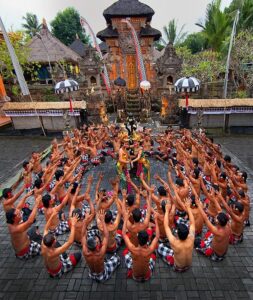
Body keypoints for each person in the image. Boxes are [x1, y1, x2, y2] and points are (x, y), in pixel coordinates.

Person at [82, 210, 120, 282]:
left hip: (91, 274)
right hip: (102, 275)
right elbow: (106, 236)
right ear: (97, 246)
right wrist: (103, 220)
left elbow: (83, 235)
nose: (98, 241)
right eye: (97, 242)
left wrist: (85, 221)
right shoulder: (101, 252)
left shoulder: (85, 251)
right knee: (117, 258)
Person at [158, 199, 195, 272]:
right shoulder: (191, 238)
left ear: (177, 234)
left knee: (160, 247)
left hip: (178, 267)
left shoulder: (174, 242)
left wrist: (167, 210)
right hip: (188, 265)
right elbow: (192, 223)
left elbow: (166, 226)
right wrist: (188, 208)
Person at [122, 210, 160, 281]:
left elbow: (124, 234)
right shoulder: (150, 249)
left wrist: (126, 219)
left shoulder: (132, 248)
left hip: (135, 276)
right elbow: (157, 236)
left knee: (125, 253)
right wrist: (156, 220)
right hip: (147, 276)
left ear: (138, 239)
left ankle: (131, 273)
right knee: (154, 254)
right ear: (147, 240)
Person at [41, 211, 81, 278]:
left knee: (59, 246)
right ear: (52, 243)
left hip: (50, 265)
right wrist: (73, 224)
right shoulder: (53, 252)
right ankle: (63, 268)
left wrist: (52, 216)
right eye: (55, 239)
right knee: (78, 255)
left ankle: (63, 257)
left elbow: (45, 228)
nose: (55, 238)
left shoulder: (43, 243)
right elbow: (70, 242)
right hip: (57, 271)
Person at [194, 196, 231, 261]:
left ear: (218, 222)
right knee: (209, 233)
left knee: (197, 242)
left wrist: (198, 205)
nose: (215, 217)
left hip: (216, 254)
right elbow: (219, 210)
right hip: (222, 251)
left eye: (216, 218)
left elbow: (205, 218)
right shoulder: (227, 225)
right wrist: (214, 198)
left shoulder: (217, 231)